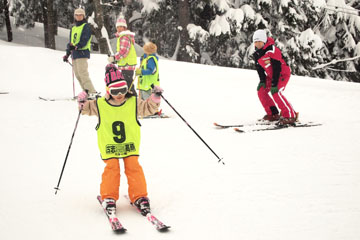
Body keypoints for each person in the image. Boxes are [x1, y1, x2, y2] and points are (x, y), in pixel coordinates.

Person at [77, 64, 163, 216]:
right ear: (108, 90)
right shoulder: (100, 104)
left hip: (130, 144)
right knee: (112, 169)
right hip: (110, 145)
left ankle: (140, 196)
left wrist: (155, 98)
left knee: (133, 168)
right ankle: (109, 197)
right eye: (115, 91)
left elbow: (148, 109)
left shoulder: (133, 102)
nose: (119, 94)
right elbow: (85, 109)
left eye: (123, 90)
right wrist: (82, 103)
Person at [252, 29, 297, 125]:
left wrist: (274, 84)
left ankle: (290, 115)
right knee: (261, 91)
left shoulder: (272, 50)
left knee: (276, 92)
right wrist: (262, 81)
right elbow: (259, 68)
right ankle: (273, 114)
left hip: (282, 74)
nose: (257, 44)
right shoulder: (257, 54)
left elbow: (277, 68)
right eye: (255, 42)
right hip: (271, 76)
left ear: (264, 41)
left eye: (259, 41)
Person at [63, 8, 97, 97]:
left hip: (82, 52)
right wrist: (67, 54)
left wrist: (77, 46)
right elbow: (71, 43)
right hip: (75, 54)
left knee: (83, 73)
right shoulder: (73, 28)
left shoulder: (86, 26)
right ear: (74, 16)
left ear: (83, 16)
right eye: (77, 15)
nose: (78, 16)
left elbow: (84, 39)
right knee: (78, 75)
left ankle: (92, 92)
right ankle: (85, 93)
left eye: (80, 15)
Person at [108, 17, 137, 96]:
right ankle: (131, 98)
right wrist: (116, 59)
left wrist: (115, 58)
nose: (119, 29)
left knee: (128, 83)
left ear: (125, 28)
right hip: (126, 64)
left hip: (127, 64)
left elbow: (124, 51)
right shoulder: (122, 37)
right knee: (127, 82)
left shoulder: (124, 37)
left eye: (121, 27)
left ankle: (134, 100)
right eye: (118, 27)